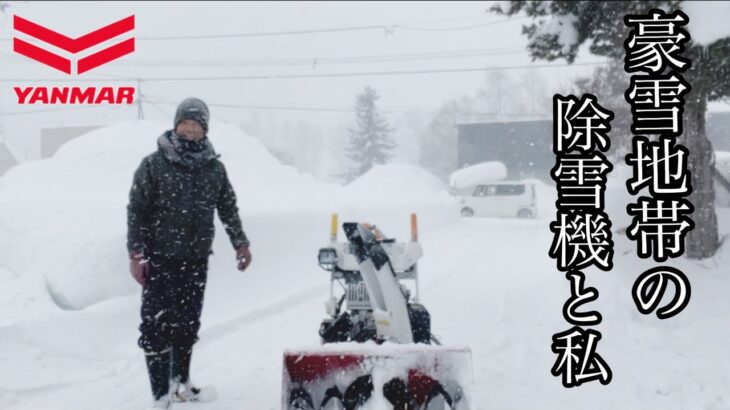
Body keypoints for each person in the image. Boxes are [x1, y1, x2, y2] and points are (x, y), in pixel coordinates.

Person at [126, 97, 252, 409]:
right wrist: (136, 254)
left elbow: (227, 208)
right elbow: (136, 211)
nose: (190, 130)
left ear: (204, 129)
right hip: (160, 259)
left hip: (195, 260)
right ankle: (160, 394)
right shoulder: (153, 165)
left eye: (196, 125)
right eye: (185, 123)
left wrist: (241, 243)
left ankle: (181, 382)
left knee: (187, 323)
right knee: (156, 325)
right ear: (176, 124)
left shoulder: (214, 169)